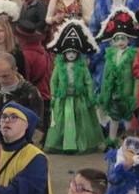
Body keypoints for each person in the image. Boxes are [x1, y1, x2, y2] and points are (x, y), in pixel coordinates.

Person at [44, 20, 102, 154]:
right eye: (68, 52)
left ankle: (80, 144)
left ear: (78, 54)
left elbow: (88, 82)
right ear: (63, 53)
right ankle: (60, 144)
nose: (71, 54)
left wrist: (90, 96)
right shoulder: (59, 67)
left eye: (74, 52)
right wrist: (53, 95)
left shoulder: (82, 68)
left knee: (81, 122)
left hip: (79, 98)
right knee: (61, 122)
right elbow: (53, 81)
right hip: (63, 99)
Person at [0, 102, 53, 194]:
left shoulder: (36, 157)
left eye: (14, 117)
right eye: (4, 117)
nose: (7, 120)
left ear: (26, 125)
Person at [96, 7, 139, 142]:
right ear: (113, 41)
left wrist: (135, 95)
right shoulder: (110, 55)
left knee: (127, 118)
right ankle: (112, 140)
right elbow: (106, 75)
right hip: (114, 93)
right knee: (114, 117)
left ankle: (129, 140)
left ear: (128, 40)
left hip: (127, 94)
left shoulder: (132, 55)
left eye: (123, 38)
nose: (120, 42)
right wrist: (104, 94)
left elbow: (136, 77)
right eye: (117, 39)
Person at [0, 53, 43, 123]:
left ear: (15, 70)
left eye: (5, 76)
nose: (1, 80)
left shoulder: (30, 92)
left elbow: (38, 124)